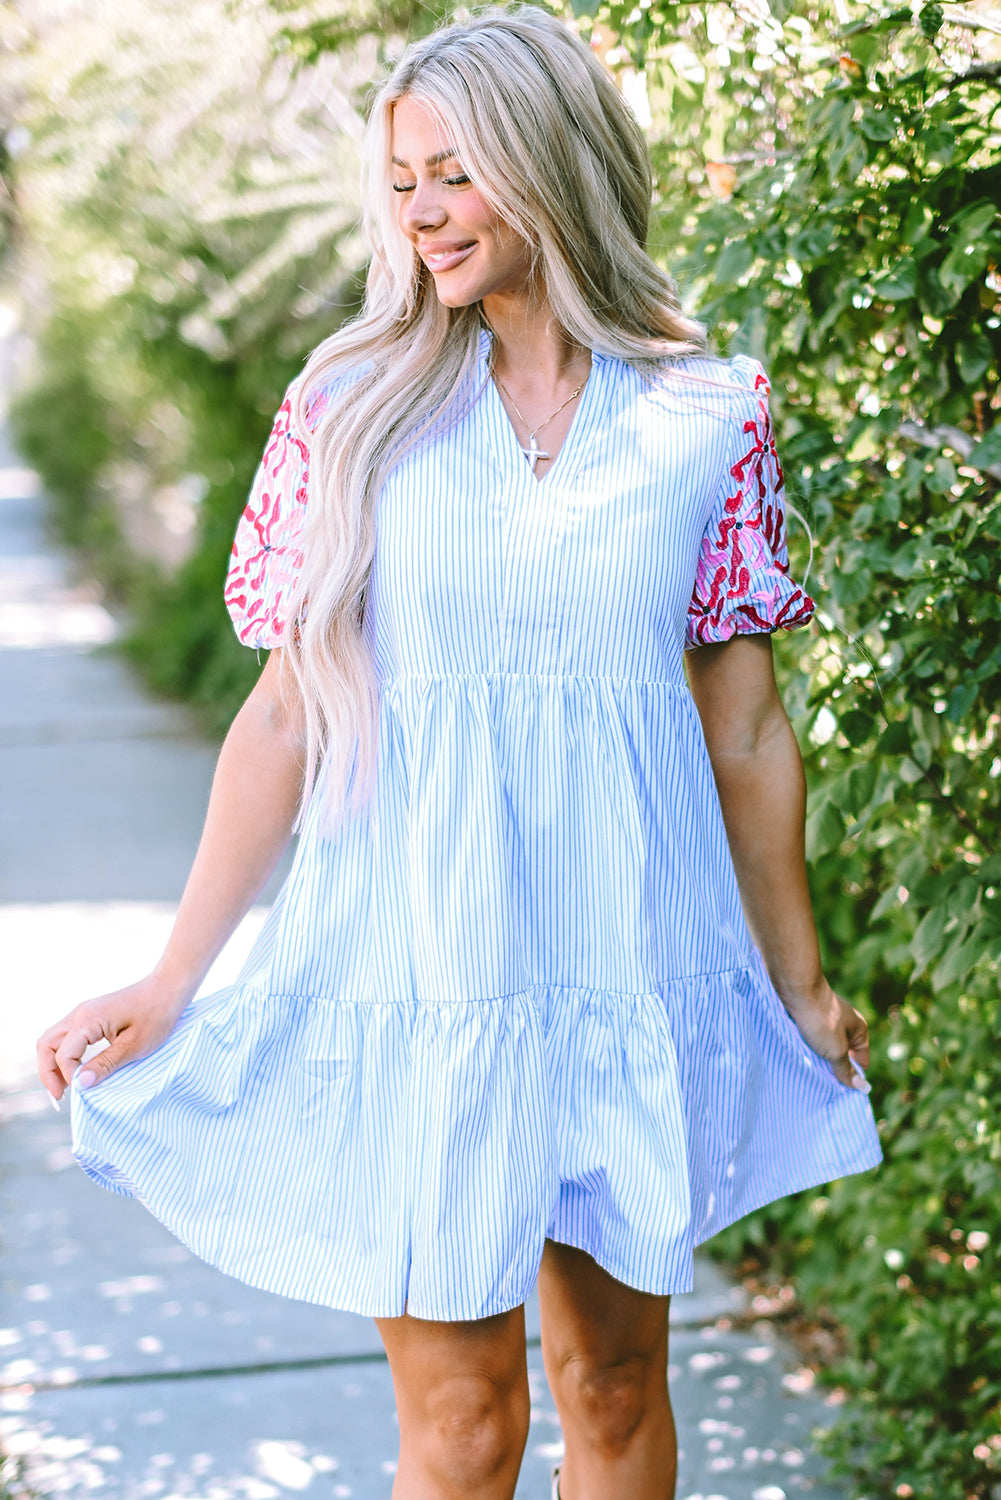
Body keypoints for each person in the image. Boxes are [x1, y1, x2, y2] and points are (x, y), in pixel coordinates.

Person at [37, 8, 882, 1498]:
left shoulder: (706, 415)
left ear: (549, 169)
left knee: (615, 1392)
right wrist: (175, 980)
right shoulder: (347, 410)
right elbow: (288, 713)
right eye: (402, 181)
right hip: (419, 968)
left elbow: (743, 724)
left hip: (624, 958)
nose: (421, 214)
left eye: (456, 175)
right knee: (465, 1424)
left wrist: (797, 980)